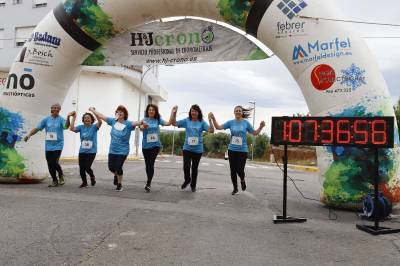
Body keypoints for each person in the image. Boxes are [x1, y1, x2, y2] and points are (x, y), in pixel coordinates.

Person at [210, 106, 265, 195]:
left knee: (240, 169)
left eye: (239, 111)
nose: (238, 112)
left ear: (242, 112)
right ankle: (235, 188)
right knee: (233, 170)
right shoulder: (231, 122)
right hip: (232, 149)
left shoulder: (246, 123)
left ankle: (242, 180)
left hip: (242, 150)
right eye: (236, 111)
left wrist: (261, 127)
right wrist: (213, 118)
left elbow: (255, 133)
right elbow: (218, 127)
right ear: (234, 112)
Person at [89, 106, 144, 192]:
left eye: (121, 112)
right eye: (118, 112)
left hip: (123, 150)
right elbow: (102, 116)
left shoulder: (128, 124)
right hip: (113, 149)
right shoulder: (113, 121)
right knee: (111, 167)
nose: (119, 113)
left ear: (125, 114)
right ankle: (116, 175)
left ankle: (119, 184)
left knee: (118, 167)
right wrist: (93, 110)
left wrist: (144, 120)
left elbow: (137, 123)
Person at [24, 103, 73, 187]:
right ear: (51, 109)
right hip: (48, 146)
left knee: (54, 162)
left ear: (59, 110)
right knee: (50, 164)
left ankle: (61, 175)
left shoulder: (61, 119)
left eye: (58, 108)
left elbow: (66, 126)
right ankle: (54, 180)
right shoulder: (46, 119)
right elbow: (37, 128)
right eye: (54, 107)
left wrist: (68, 117)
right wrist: (29, 135)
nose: (56, 109)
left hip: (58, 145)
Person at [173, 105, 214, 192]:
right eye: (192, 111)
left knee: (194, 168)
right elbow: (174, 123)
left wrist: (210, 121)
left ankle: (193, 185)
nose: (193, 112)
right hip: (187, 148)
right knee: (186, 166)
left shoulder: (202, 122)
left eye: (195, 111)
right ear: (190, 112)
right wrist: (174, 113)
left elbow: (211, 130)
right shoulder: (187, 121)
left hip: (198, 149)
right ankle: (187, 179)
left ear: (198, 112)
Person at [140, 104, 177, 192]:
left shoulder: (158, 120)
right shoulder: (144, 120)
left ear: (155, 111)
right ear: (147, 111)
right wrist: (143, 127)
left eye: (153, 110)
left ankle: (148, 183)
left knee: (150, 164)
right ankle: (149, 180)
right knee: (147, 165)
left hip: (155, 145)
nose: (151, 111)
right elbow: (140, 128)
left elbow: (168, 123)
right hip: (145, 146)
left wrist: (173, 112)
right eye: (150, 109)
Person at [70, 111, 102, 188]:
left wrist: (94, 112)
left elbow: (100, 122)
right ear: (83, 120)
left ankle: (92, 176)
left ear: (91, 120)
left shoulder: (94, 127)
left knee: (87, 166)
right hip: (82, 151)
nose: (87, 119)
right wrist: (74, 118)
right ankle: (84, 182)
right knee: (81, 168)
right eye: (85, 118)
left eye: (88, 118)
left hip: (92, 151)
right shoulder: (81, 127)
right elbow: (71, 128)